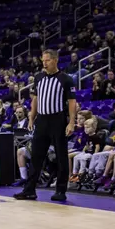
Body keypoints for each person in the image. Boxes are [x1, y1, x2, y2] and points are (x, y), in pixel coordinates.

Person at [14, 49, 77, 202]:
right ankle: (29, 190)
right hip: (42, 120)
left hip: (58, 120)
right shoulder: (38, 78)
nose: (44, 63)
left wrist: (71, 122)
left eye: (47, 60)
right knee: (36, 156)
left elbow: (72, 102)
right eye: (43, 60)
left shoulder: (66, 79)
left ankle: (61, 190)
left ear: (55, 60)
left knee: (61, 156)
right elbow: (35, 99)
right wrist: (31, 118)